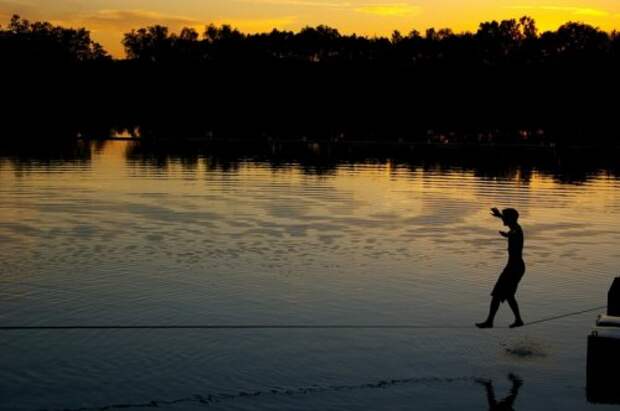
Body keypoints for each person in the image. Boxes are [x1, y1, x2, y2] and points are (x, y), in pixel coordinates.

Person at [476, 207, 525, 329]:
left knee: (498, 294)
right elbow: (512, 229)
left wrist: (508, 233)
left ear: (510, 219)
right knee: (506, 295)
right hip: (514, 267)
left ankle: (490, 322)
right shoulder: (515, 229)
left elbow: (514, 231)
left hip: (514, 268)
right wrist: (500, 217)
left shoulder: (516, 230)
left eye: (505, 217)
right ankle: (515, 320)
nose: (504, 221)